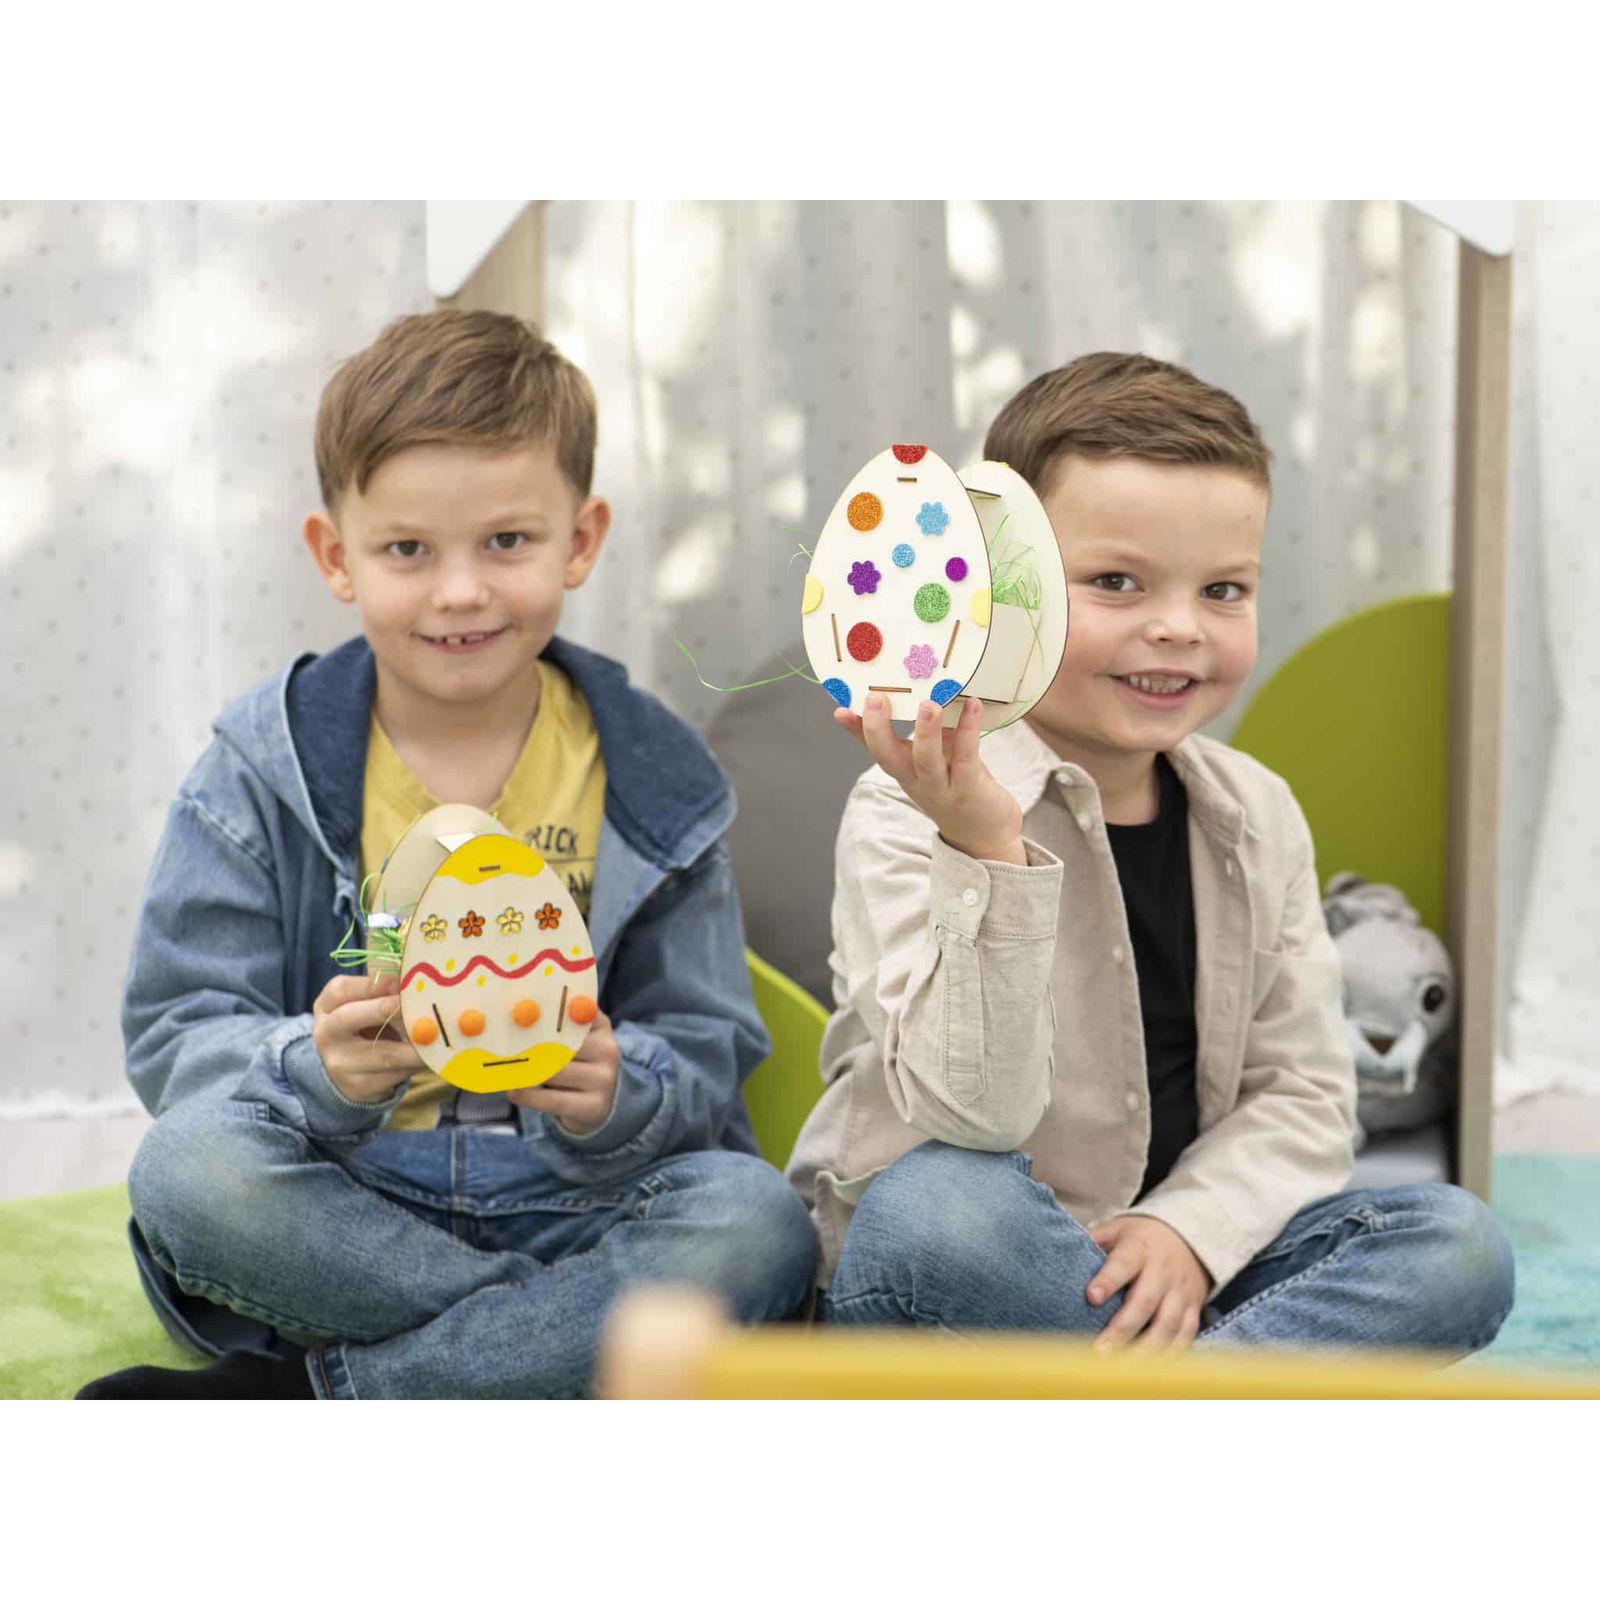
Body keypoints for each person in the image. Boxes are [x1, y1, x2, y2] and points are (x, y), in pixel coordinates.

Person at [78, 310, 816, 1400]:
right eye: (408, 550)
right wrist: (313, 1067)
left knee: (759, 1221)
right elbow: (177, 1032)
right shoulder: (261, 768)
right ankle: (545, 1349)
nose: (460, 590)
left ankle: (322, 1396)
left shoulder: (656, 776)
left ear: (581, 539)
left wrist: (619, 1092)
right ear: (336, 556)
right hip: (345, 1191)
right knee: (189, 1171)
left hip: (574, 1197)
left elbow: (706, 1047)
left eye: (507, 541)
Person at [786, 352, 1514, 1358]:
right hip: (969, 1271)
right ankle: (1209, 1394)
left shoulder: (1258, 813)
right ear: (1002, 589)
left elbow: (1304, 1093)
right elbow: (972, 1114)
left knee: (1456, 1243)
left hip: (1175, 1277)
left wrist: (1190, 1230)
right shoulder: (904, 807)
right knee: (937, 1210)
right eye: (1116, 582)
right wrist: (985, 848)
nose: (1178, 627)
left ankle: (1157, 1396)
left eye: (1223, 589)